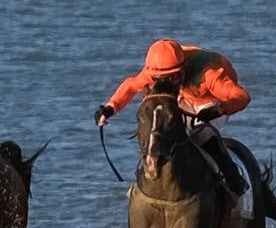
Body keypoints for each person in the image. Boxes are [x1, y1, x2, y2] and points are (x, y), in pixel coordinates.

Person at [96, 39, 251, 195]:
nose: (162, 83)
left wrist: (218, 110)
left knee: (201, 134)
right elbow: (130, 86)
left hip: (212, 100)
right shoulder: (157, 72)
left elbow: (241, 97)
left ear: (181, 71)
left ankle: (234, 179)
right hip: (183, 97)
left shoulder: (208, 74)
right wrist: (110, 108)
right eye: (158, 79)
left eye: (169, 78)